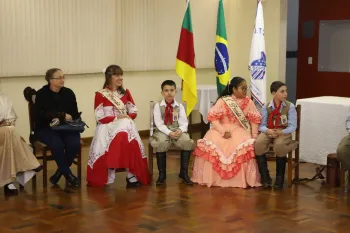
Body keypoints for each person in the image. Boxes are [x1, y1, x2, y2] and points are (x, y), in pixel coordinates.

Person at [191, 77, 262, 188]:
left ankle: (240, 180)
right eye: (242, 88)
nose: (245, 90)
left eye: (246, 88)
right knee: (213, 147)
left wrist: (254, 136)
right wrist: (222, 131)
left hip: (240, 130)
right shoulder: (223, 101)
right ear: (234, 89)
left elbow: (254, 120)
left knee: (243, 147)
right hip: (220, 130)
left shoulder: (249, 102)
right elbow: (213, 118)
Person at [87, 65, 150, 187]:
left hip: (125, 126)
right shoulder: (101, 94)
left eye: (121, 75)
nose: (120, 78)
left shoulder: (126, 93)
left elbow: (133, 111)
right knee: (126, 131)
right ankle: (113, 170)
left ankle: (131, 174)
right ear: (109, 77)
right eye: (117, 75)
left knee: (127, 131)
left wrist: (127, 117)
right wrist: (117, 118)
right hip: (107, 126)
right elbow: (99, 117)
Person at [34, 68, 81, 187]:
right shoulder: (41, 94)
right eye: (59, 77)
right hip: (46, 128)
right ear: (50, 80)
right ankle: (68, 175)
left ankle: (60, 172)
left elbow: (74, 113)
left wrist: (71, 117)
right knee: (57, 144)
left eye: (63, 77)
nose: (62, 80)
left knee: (75, 144)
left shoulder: (69, 93)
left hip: (66, 127)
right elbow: (40, 115)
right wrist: (60, 115)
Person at [150, 80, 195, 185]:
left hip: (176, 129)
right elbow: (159, 124)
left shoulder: (179, 106)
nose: (169, 93)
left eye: (171, 90)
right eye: (166, 90)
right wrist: (169, 132)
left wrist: (180, 130)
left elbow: (184, 123)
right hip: (163, 130)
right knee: (161, 142)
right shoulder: (158, 106)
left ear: (176, 92)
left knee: (187, 141)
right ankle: (162, 175)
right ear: (162, 93)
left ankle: (183, 173)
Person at [255, 81, 298, 189]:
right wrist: (268, 131)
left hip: (284, 132)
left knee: (279, 145)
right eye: (282, 91)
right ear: (274, 93)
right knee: (258, 143)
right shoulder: (266, 107)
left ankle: (279, 178)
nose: (285, 94)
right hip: (270, 130)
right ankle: (265, 177)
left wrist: (281, 132)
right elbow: (261, 126)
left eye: (286, 91)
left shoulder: (290, 106)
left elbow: (293, 126)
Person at [0, 92, 42, 196]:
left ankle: (8, 182)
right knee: (11, 133)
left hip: (5, 133)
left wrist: (7, 123)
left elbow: (11, 119)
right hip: (5, 132)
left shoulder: (4, 98)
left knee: (10, 133)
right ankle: (30, 162)